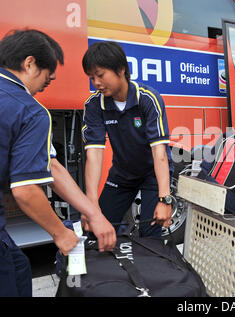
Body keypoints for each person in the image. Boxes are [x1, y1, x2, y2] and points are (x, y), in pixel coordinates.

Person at [0, 29, 77, 297]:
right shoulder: (29, 110)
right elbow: (25, 190)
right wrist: (60, 233)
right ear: (29, 63)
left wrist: (91, 212)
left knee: (19, 266)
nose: (52, 78)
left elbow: (52, 165)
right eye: (48, 72)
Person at [81, 41, 173, 237]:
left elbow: (160, 153)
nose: (96, 83)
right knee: (98, 231)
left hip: (152, 174)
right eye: (91, 77)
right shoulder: (94, 105)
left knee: (150, 236)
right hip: (122, 174)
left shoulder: (148, 99)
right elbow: (94, 155)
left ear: (121, 69)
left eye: (100, 75)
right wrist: (90, 204)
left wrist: (165, 200)